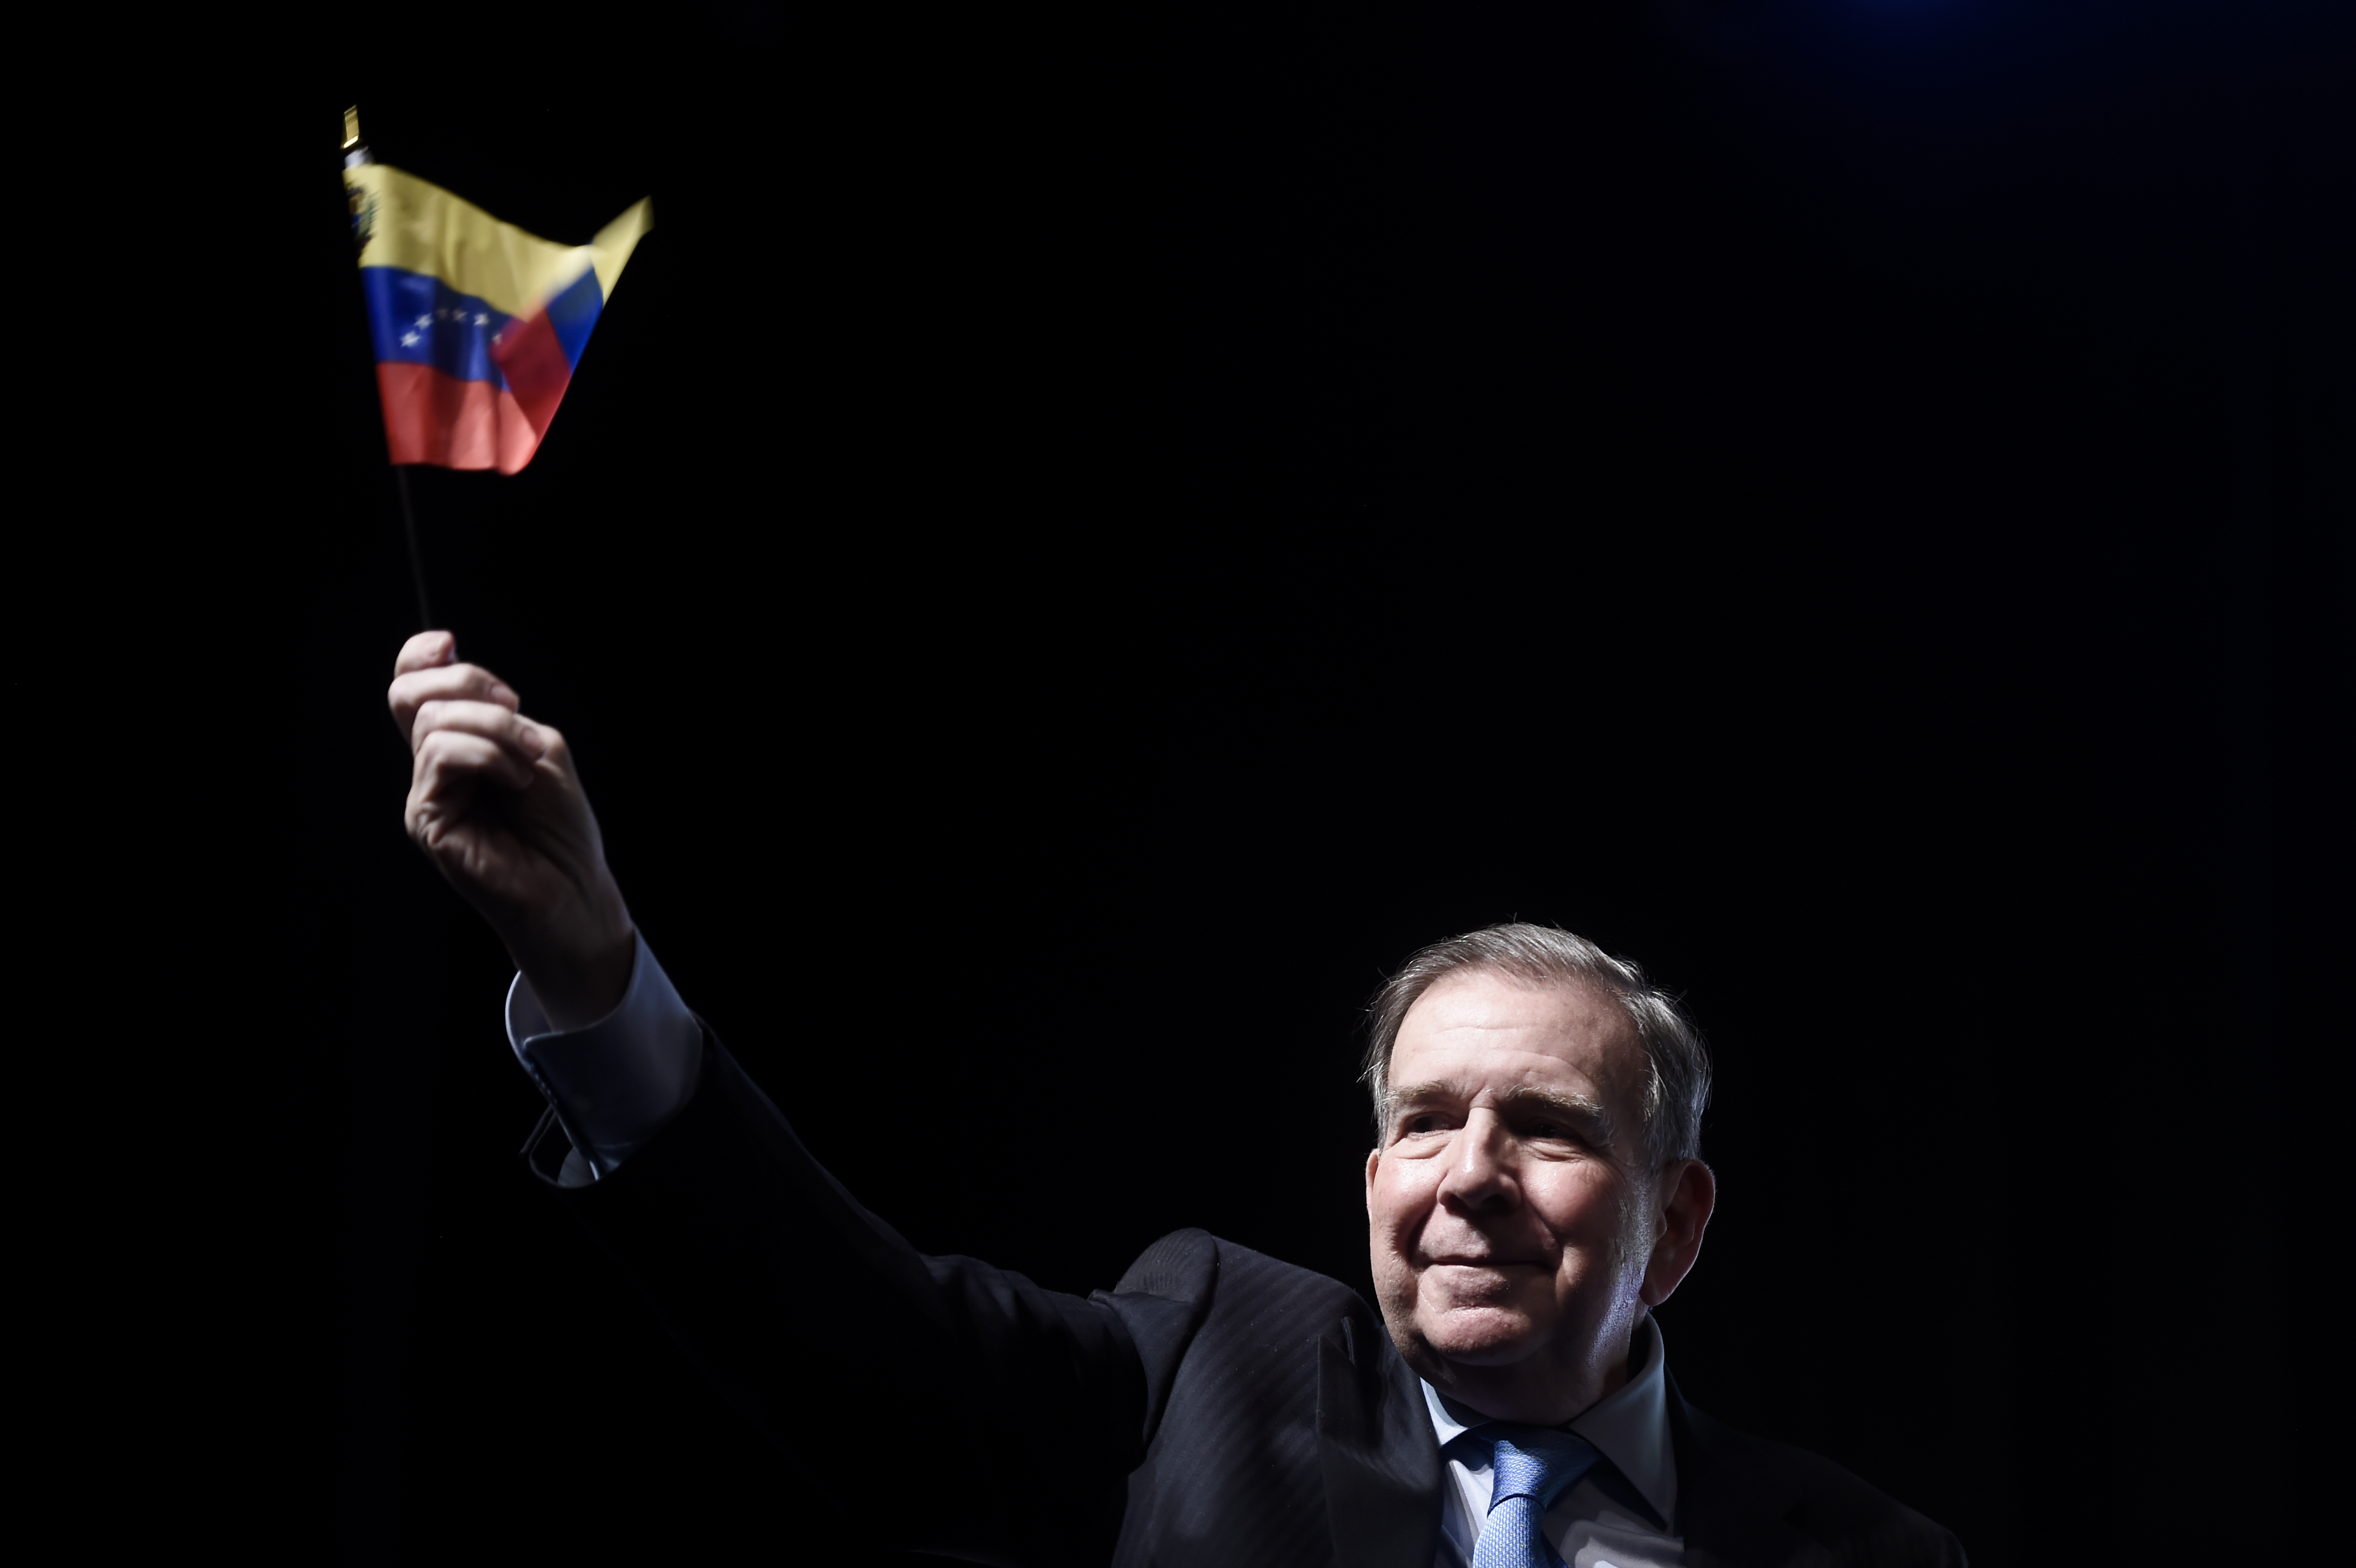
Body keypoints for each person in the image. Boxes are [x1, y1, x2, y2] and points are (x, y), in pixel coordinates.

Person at [388, 630, 1967, 1568]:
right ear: (1370, 1187)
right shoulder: (1212, 1348)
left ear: (1673, 1220)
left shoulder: (1858, 1551)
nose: (1466, 1172)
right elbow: (851, 1350)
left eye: (1542, 1128)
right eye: (1423, 1122)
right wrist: (596, 972)